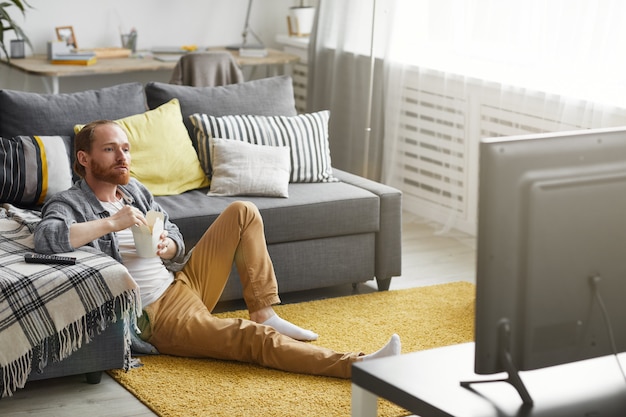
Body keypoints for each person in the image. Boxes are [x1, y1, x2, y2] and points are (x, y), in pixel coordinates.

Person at [34, 120, 400, 378]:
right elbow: (47, 238)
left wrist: (168, 245)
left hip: (182, 284)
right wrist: (112, 223)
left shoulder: (135, 191)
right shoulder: (69, 203)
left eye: (126, 149)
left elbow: (173, 233)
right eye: (110, 149)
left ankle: (263, 310)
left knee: (243, 212)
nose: (122, 157)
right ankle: (359, 365)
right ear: (84, 158)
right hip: (156, 317)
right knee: (251, 341)